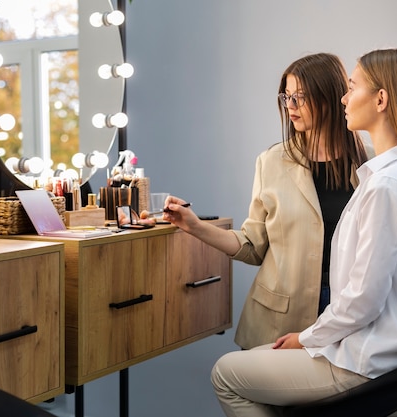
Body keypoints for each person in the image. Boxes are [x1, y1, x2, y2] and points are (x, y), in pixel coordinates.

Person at [199, 48, 397, 417]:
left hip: (369, 362)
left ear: (381, 99)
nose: (344, 96)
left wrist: (306, 338)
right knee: (259, 360)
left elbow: (363, 301)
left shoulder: (384, 184)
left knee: (226, 374)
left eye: (352, 87)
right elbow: (254, 242)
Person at [158, 52, 369, 350]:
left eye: (301, 97)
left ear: (331, 96)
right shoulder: (271, 162)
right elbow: (252, 247)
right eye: (287, 97)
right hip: (279, 319)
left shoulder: (372, 162)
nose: (291, 106)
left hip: (348, 312)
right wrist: (193, 226)